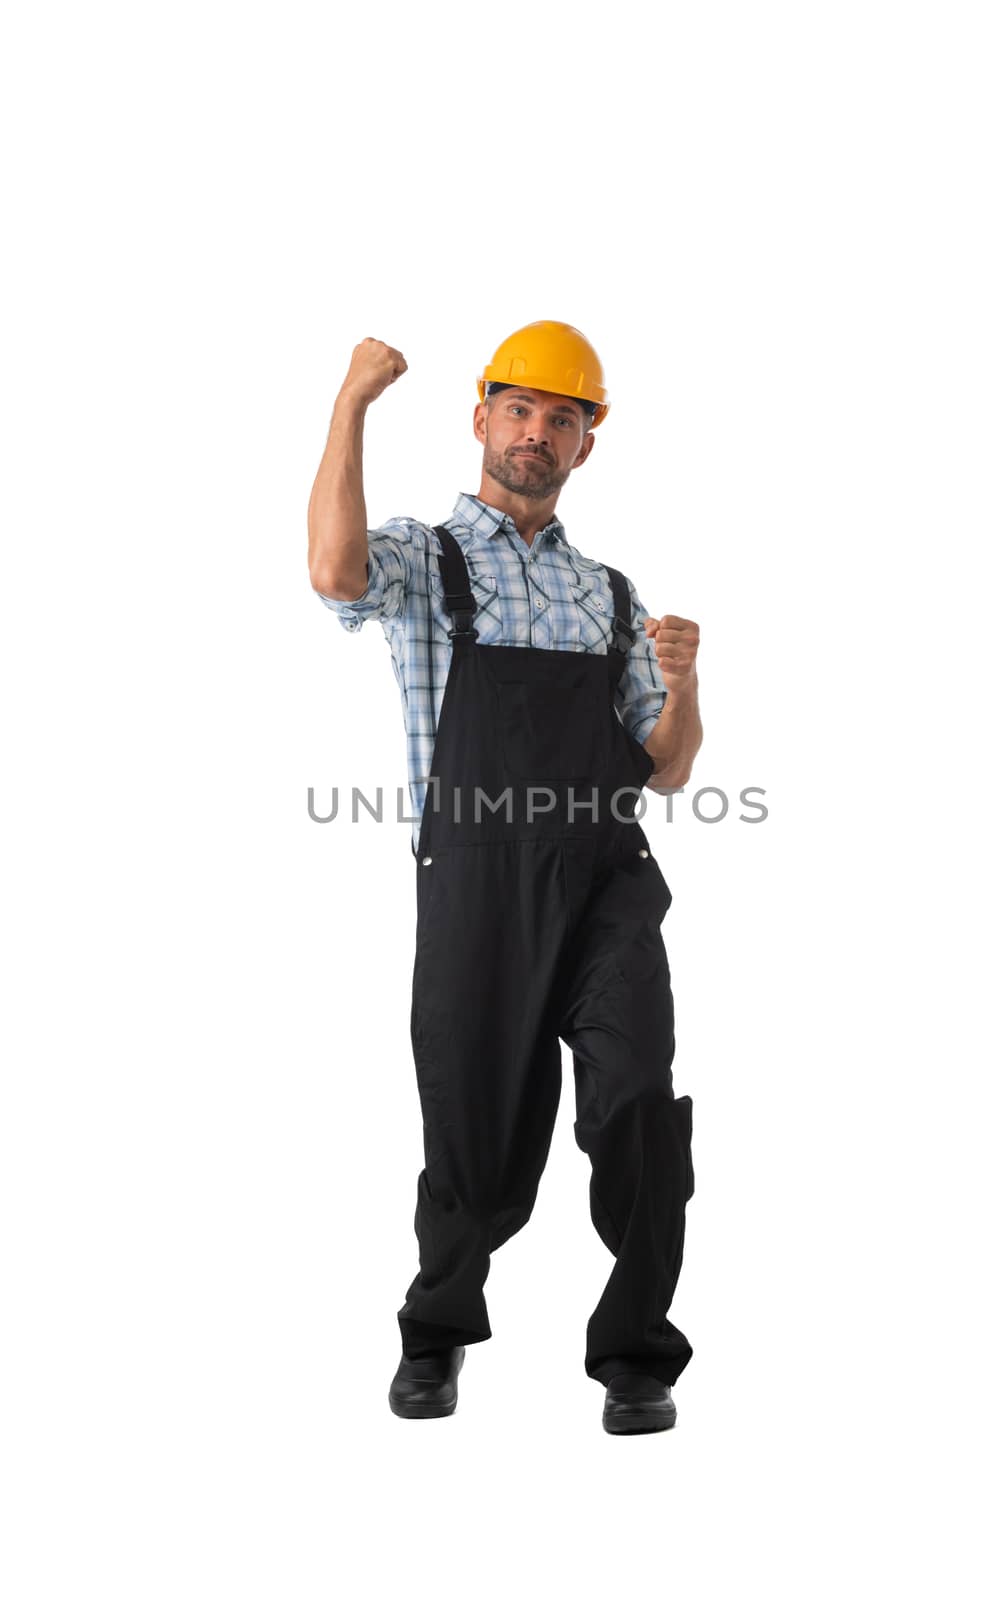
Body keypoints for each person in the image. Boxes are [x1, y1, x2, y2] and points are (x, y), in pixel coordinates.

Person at [307, 321, 703, 1434]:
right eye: (520, 409)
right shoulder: (423, 560)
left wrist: (683, 682)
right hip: (474, 879)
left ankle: (635, 1353)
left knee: (635, 1103)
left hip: (606, 880)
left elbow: (666, 769)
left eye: (563, 417)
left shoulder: (610, 596)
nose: (538, 432)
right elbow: (332, 573)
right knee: (470, 1124)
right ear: (480, 417)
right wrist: (351, 404)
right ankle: (435, 1330)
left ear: (587, 444)